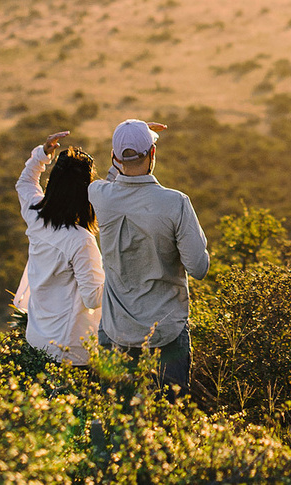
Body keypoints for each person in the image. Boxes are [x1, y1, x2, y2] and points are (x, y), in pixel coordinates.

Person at [88, 119, 209, 397]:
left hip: (116, 332)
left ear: (114, 157)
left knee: (118, 418)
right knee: (168, 414)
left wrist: (128, 139)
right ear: (153, 154)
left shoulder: (99, 195)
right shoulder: (177, 202)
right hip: (166, 334)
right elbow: (198, 268)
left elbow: (111, 181)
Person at [14, 130, 105, 366]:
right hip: (69, 352)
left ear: (53, 183)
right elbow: (93, 298)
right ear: (85, 192)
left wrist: (42, 155)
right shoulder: (81, 240)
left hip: (36, 339)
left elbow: (25, 183)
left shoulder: (36, 216)